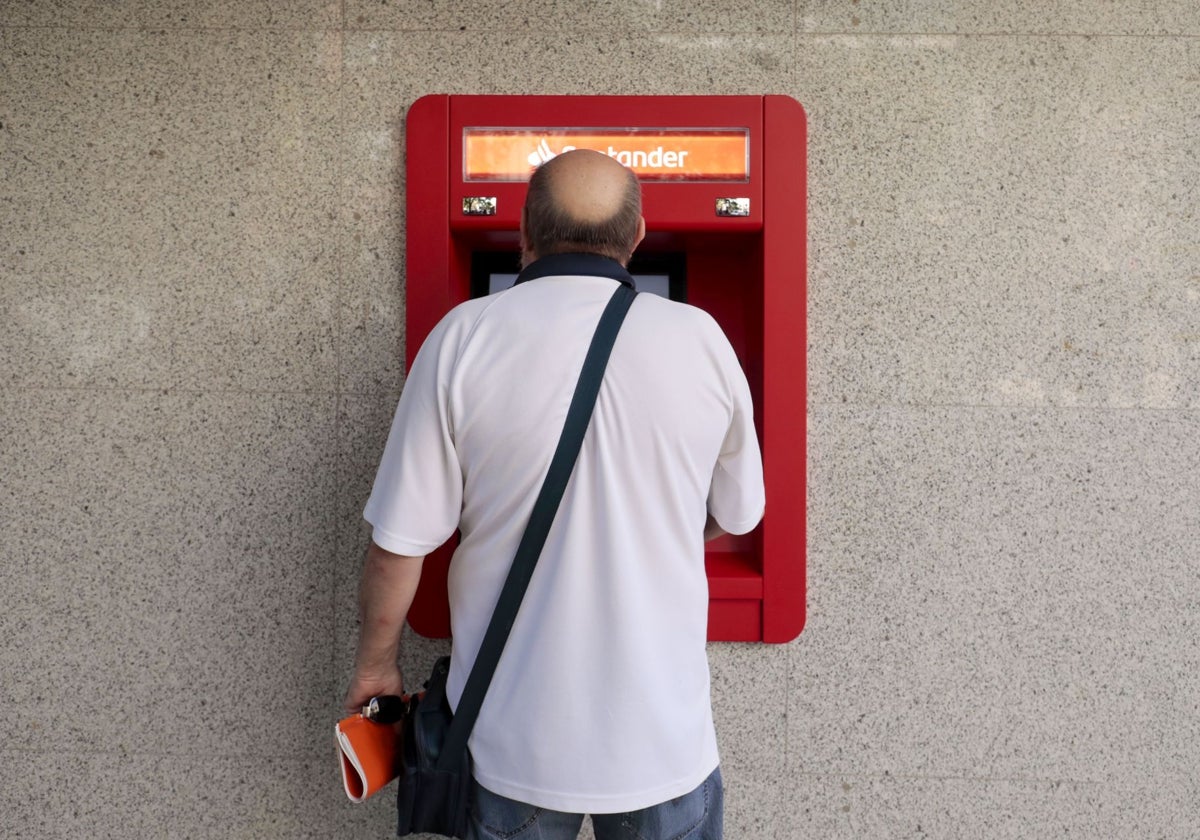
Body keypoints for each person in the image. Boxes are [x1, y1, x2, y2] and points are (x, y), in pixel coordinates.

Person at [344, 149, 764, 840]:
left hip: (512, 746)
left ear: (523, 232)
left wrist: (374, 668)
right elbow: (738, 512)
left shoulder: (463, 337)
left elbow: (398, 545)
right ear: (636, 237)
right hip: (664, 743)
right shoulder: (702, 339)